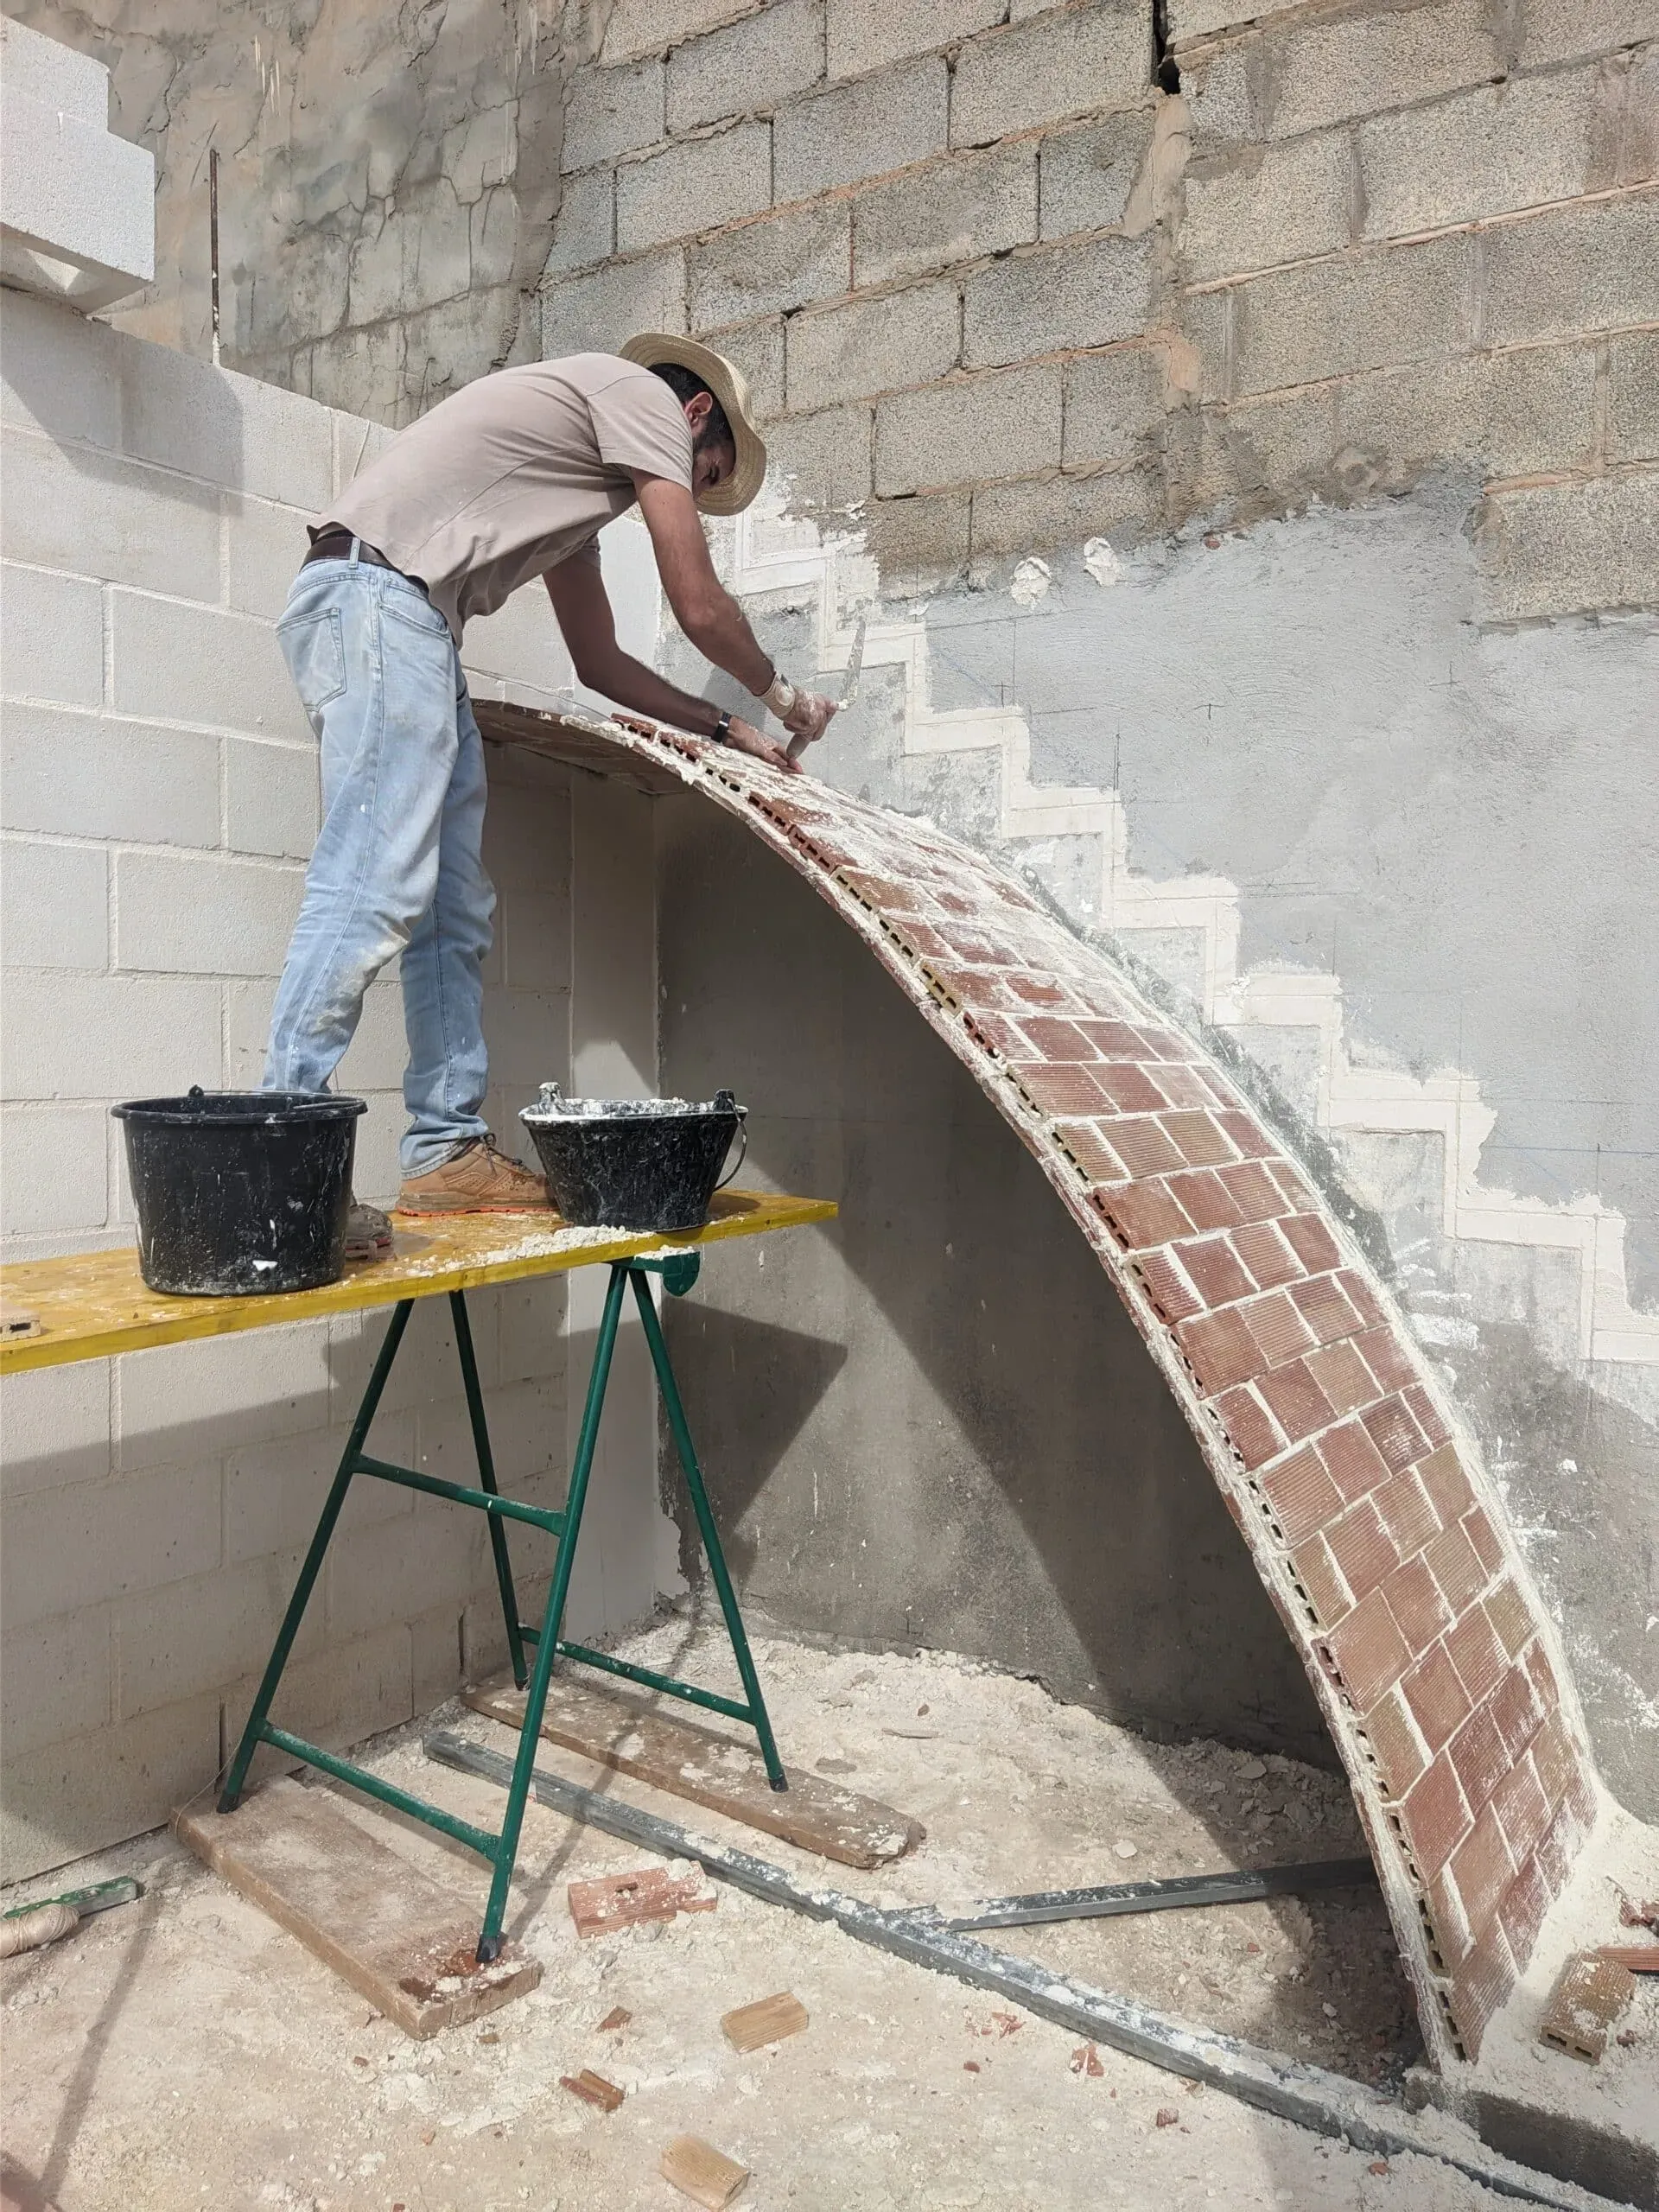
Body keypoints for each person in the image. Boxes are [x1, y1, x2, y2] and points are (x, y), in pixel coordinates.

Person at [261, 334, 837, 1249]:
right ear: (694, 415)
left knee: (452, 909)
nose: (690, 492)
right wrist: (785, 695)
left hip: (409, 622)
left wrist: (729, 730)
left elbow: (600, 662)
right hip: (379, 602)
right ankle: (277, 1157)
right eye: (706, 471)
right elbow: (697, 601)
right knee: (371, 884)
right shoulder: (641, 399)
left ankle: (445, 1154)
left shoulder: (577, 475)